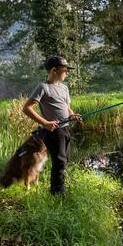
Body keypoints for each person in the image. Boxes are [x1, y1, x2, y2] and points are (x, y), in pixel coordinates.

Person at [22, 56, 82, 196]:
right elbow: (26, 108)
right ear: (54, 70)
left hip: (65, 129)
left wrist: (72, 115)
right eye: (65, 70)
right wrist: (45, 123)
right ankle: (57, 194)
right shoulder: (43, 87)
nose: (67, 72)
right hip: (54, 132)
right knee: (60, 161)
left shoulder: (64, 88)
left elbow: (67, 107)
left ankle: (60, 188)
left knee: (64, 160)